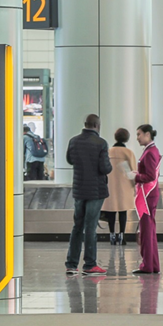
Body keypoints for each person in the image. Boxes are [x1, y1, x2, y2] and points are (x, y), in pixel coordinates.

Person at [64, 114, 113, 276]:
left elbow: (70, 160)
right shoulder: (101, 143)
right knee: (90, 227)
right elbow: (105, 168)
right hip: (95, 191)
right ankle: (90, 264)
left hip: (79, 190)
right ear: (97, 125)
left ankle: (71, 264)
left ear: (85, 124)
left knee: (77, 226)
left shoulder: (73, 141)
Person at [131, 124, 161, 274]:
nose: (137, 138)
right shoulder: (152, 151)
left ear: (147, 134)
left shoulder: (149, 153)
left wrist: (135, 176)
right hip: (151, 194)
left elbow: (150, 176)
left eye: (139, 134)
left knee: (146, 231)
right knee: (149, 231)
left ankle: (147, 265)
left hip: (147, 196)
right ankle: (153, 264)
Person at [101, 128, 136, 245]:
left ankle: (111, 235)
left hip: (109, 186)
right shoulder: (128, 153)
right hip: (124, 188)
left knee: (111, 212)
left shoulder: (108, 151)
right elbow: (133, 172)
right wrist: (135, 186)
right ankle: (122, 235)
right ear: (126, 138)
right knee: (122, 211)